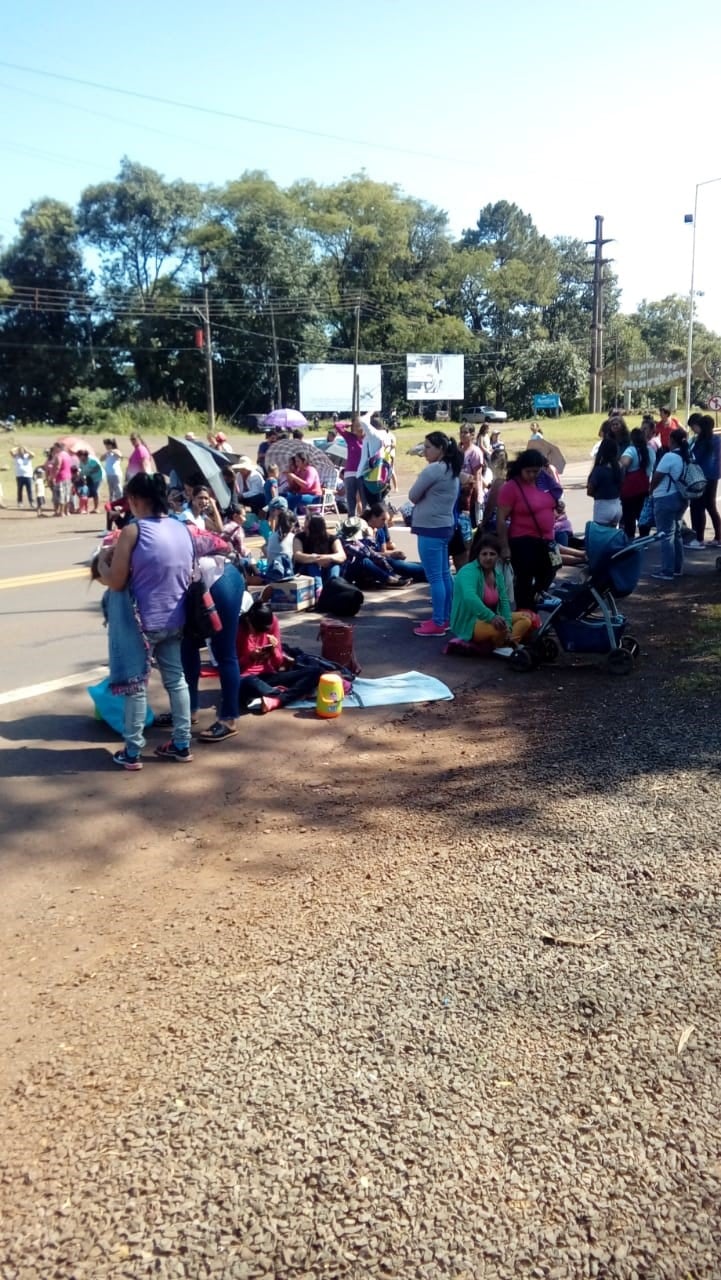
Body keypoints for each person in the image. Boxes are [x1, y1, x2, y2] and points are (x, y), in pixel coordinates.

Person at [96, 471, 194, 769]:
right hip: (175, 618)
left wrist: (102, 559)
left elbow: (115, 581)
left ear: (137, 500)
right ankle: (182, 743)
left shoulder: (133, 531)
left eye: (130, 500)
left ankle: (133, 750)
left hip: (141, 623)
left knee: (136, 686)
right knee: (176, 681)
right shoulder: (181, 528)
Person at [409, 431, 462, 636]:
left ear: (440, 449)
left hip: (431, 528)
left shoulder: (434, 470)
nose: (424, 452)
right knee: (444, 574)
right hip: (444, 526)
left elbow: (413, 495)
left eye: (428, 447)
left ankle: (438, 621)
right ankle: (446, 617)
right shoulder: (451, 469)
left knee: (436, 577)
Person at [495, 449, 558, 610]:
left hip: (547, 540)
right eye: (528, 471)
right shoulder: (512, 487)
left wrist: (557, 507)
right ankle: (524, 612)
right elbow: (501, 518)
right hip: (523, 541)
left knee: (552, 569)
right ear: (520, 468)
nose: (532, 475)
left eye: (536, 471)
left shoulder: (544, 482)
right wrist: (504, 546)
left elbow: (550, 502)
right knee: (524, 578)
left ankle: (534, 600)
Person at [450, 532, 535, 651]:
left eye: (492, 554)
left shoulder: (497, 573)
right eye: (484, 554)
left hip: (492, 618)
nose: (488, 558)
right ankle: (505, 644)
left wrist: (509, 626)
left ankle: (506, 643)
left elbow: (504, 601)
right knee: (500, 629)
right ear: (478, 555)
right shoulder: (468, 572)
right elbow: (470, 597)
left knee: (525, 620)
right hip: (470, 622)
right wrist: (492, 617)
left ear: (498, 557)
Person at [236, 601, 319, 715]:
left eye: (264, 631)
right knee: (248, 683)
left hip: (269, 676)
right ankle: (289, 693)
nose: (260, 635)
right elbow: (230, 667)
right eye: (257, 631)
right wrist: (250, 657)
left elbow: (278, 664)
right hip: (247, 679)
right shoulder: (236, 628)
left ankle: (277, 699)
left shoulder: (272, 621)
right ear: (249, 621)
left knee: (315, 672)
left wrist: (274, 650)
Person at [650, 427, 690, 582]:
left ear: (672, 440)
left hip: (666, 497)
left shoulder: (669, 457)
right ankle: (677, 568)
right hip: (681, 497)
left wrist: (650, 490)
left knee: (666, 535)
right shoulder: (688, 455)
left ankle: (667, 570)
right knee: (677, 533)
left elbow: (658, 476)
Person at [362, 503, 426, 580]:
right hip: (370, 563)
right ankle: (431, 573)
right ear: (373, 517)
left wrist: (395, 554)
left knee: (405, 564)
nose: (385, 523)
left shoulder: (380, 530)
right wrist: (391, 554)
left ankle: (434, 569)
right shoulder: (363, 530)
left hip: (381, 560)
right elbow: (365, 553)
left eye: (386, 520)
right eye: (383, 519)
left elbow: (383, 551)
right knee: (397, 564)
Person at [688, 413, 721, 548]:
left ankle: (699, 539)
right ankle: (718, 537)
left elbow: (695, 458)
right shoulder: (717, 439)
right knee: (711, 507)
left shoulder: (701, 442)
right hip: (713, 476)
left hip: (700, 477)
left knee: (697, 507)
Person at [619, 427, 653, 538]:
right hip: (644, 486)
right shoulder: (650, 451)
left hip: (630, 488)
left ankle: (630, 537)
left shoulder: (631, 450)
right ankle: (644, 536)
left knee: (629, 515)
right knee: (642, 514)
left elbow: (624, 463)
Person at [293, 514, 345, 587]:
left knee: (334, 564)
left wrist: (327, 558)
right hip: (307, 574)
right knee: (311, 564)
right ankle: (319, 588)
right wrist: (316, 559)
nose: (304, 529)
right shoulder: (299, 537)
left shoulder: (331, 538)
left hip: (325, 571)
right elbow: (297, 555)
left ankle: (333, 586)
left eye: (308, 528)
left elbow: (342, 555)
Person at [587, 438, 622, 526]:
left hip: (603, 506)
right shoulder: (619, 468)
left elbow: (590, 490)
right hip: (617, 505)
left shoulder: (599, 470)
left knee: (600, 535)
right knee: (611, 535)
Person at [335, 418, 365, 514]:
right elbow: (337, 425)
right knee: (351, 501)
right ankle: (351, 521)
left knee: (364, 500)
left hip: (363, 473)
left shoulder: (368, 439)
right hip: (350, 473)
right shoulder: (350, 437)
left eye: (360, 426)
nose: (358, 428)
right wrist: (350, 424)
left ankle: (366, 520)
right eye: (356, 426)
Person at [76, 450, 104, 514]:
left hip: (97, 478)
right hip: (88, 478)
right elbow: (81, 469)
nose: (79, 457)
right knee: (86, 491)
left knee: (95, 492)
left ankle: (96, 508)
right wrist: (80, 475)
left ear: (84, 456)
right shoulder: (81, 462)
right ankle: (84, 507)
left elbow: (97, 468)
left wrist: (89, 472)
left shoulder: (92, 461)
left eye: (80, 456)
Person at [50, 442, 72, 517]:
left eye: (55, 447)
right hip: (68, 476)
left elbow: (57, 467)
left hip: (60, 477)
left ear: (58, 448)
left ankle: (60, 512)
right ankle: (66, 511)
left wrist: (53, 477)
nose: (54, 449)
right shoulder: (67, 455)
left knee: (59, 495)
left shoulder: (59, 455)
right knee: (66, 494)